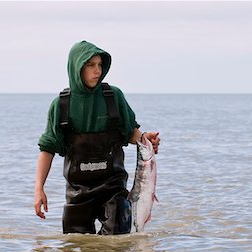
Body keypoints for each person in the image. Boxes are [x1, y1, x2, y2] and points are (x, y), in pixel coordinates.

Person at [34, 40, 160, 235]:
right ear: (77, 68)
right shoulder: (61, 105)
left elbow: (130, 132)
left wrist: (144, 139)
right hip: (78, 192)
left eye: (100, 65)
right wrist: (39, 188)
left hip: (113, 188)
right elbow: (47, 149)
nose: (97, 71)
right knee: (77, 249)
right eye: (91, 65)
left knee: (118, 242)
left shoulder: (113, 97)